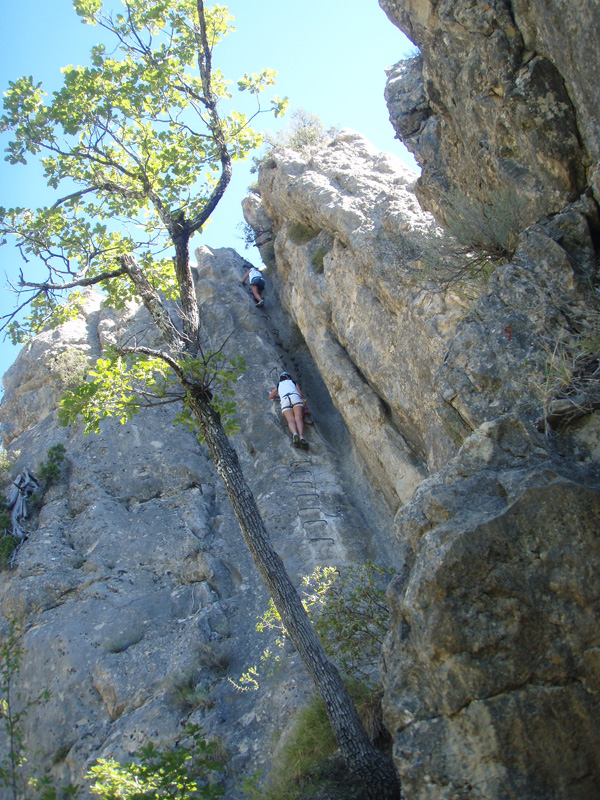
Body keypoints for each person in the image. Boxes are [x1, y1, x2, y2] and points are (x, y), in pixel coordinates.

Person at [269, 371, 309, 450]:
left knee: (290, 420)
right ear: (288, 377)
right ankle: (301, 437)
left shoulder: (279, 385)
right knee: (298, 417)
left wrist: (279, 396)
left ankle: (295, 434)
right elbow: (301, 395)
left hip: (284, 399)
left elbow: (271, 396)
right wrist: (306, 407)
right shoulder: (293, 382)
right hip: (295, 397)